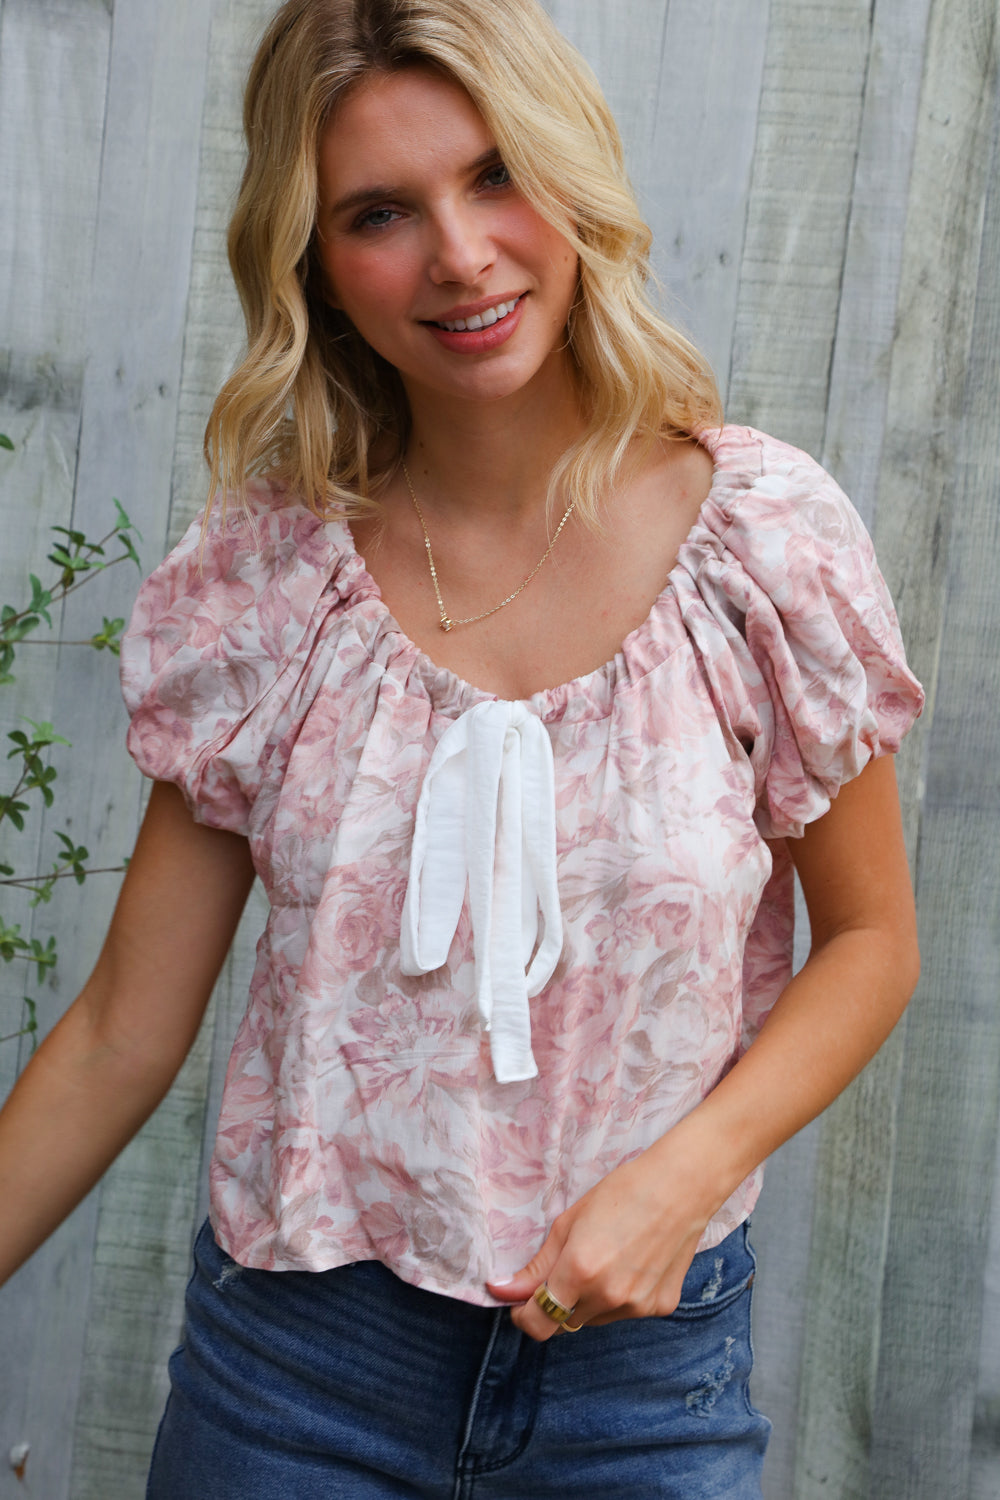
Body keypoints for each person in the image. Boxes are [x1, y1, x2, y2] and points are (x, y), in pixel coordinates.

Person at [0, 0, 924, 1494]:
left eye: (497, 175)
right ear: (314, 263)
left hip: (645, 1388)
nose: (461, 254)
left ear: (572, 175)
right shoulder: (271, 583)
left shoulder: (763, 545)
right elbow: (121, 1031)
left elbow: (873, 942)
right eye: (380, 212)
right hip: (295, 1387)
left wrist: (683, 1178)